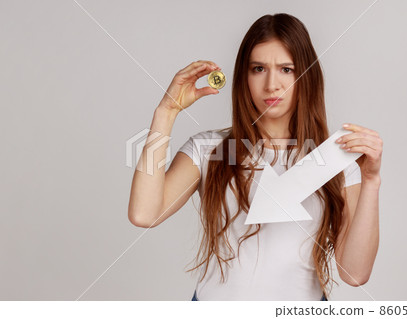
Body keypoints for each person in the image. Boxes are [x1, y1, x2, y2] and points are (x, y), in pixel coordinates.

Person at [128, 13, 383, 301]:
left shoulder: (334, 159)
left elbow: (354, 273)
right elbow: (143, 214)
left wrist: (371, 181)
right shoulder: (209, 149)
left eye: (286, 69)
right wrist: (166, 112)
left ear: (305, 76)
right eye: (259, 68)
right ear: (244, 76)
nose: (272, 84)